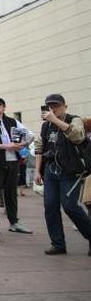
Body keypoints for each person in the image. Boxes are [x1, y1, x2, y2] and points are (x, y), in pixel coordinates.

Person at [34, 94, 91, 256]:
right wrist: (38, 170)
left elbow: (78, 136)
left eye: (56, 106)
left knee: (70, 206)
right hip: (51, 170)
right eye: (49, 106)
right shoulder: (46, 126)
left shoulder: (74, 120)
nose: (53, 109)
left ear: (65, 106)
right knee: (50, 207)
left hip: (70, 170)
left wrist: (56, 120)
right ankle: (58, 243)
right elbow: (39, 147)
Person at [0, 97, 34, 234]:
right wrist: (6, 146)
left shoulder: (13, 121)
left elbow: (30, 135)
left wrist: (22, 144)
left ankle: (14, 222)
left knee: (11, 194)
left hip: (13, 162)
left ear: (4, 107)